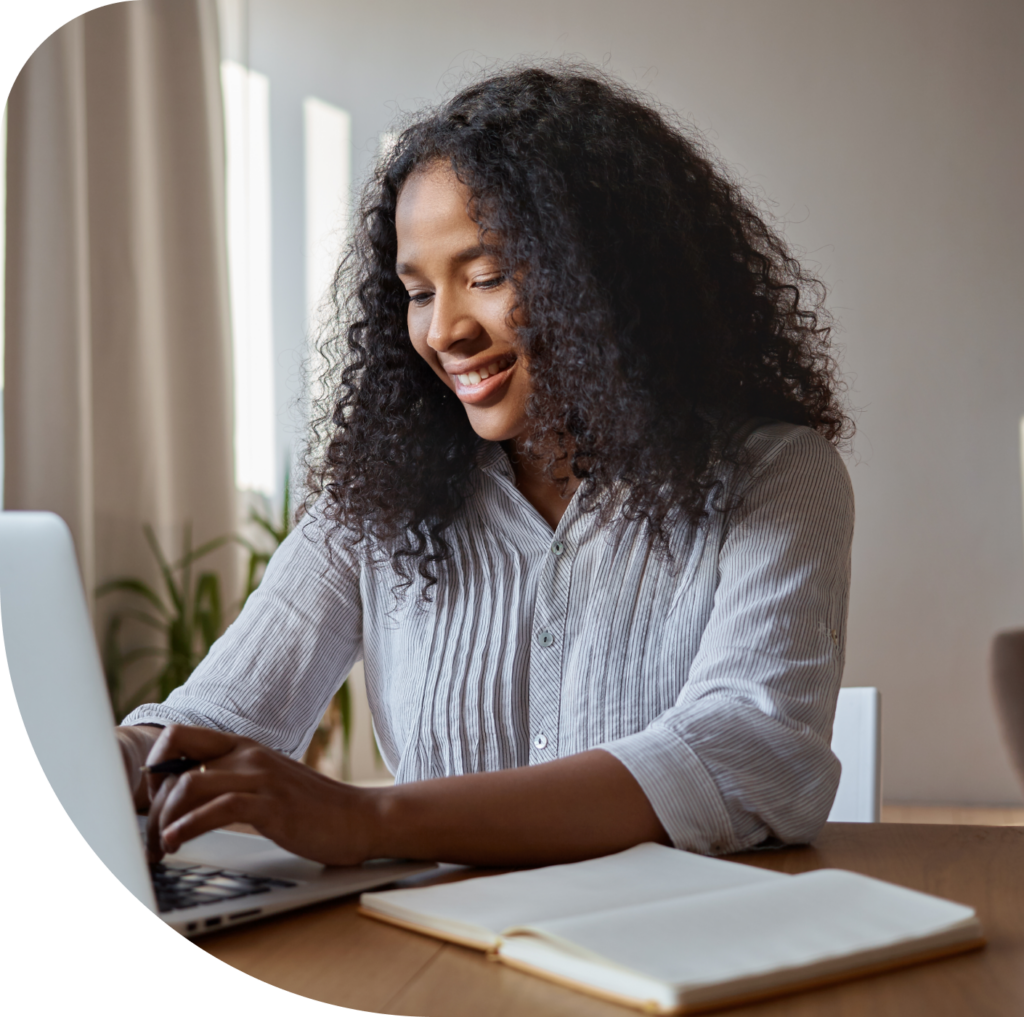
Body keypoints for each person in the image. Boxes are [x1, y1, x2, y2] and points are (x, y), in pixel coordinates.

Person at [117, 66, 854, 869]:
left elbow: (744, 754)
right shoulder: (374, 501)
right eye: (417, 291)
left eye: (487, 276)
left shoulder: (775, 475)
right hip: (436, 963)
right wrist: (115, 762)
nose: (444, 331)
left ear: (608, 273)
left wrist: (374, 819)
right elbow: (220, 717)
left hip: (671, 958)